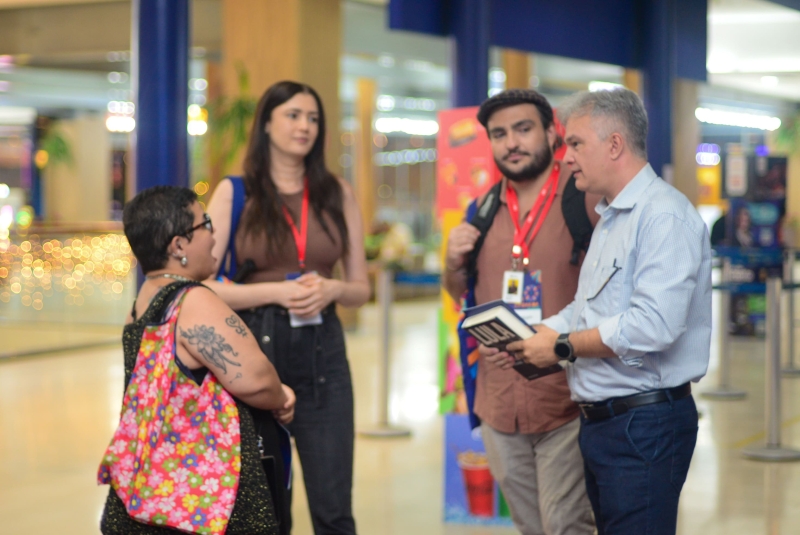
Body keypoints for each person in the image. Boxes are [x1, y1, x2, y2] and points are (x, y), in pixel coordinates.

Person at [495, 88, 711, 535]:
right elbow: (585, 309)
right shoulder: (611, 217)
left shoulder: (663, 216)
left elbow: (654, 325)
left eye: (575, 144)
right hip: (604, 424)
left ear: (614, 145)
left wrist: (560, 347)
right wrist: (531, 334)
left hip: (644, 426)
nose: (566, 158)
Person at [206, 80, 369, 535]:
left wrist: (333, 289)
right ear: (266, 123)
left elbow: (360, 288)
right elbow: (201, 288)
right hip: (253, 357)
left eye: (313, 118)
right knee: (269, 513)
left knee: (334, 511)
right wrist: (275, 292)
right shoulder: (236, 192)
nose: (305, 127)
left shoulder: (337, 192)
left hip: (324, 358)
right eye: (293, 115)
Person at [99, 186, 296, 534]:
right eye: (204, 223)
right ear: (178, 246)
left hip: (149, 489)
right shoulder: (192, 301)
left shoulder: (140, 305)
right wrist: (281, 396)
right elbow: (256, 380)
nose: (213, 233)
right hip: (204, 498)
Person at [443, 88, 597, 535]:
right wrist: (451, 262)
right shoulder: (482, 209)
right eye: (499, 134)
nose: (511, 142)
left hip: (567, 399)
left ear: (551, 133)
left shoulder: (584, 199)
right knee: (531, 527)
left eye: (523, 129)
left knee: (566, 524)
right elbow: (460, 293)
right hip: (500, 403)